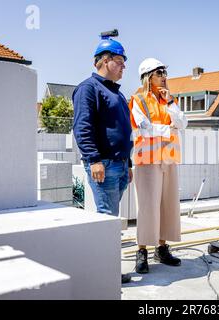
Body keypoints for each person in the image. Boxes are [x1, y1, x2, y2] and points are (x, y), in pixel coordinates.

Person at [72, 34, 133, 284]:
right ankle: (107, 273)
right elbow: (82, 127)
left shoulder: (117, 94)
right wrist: (94, 159)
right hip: (104, 165)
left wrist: (128, 164)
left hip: (119, 166)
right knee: (108, 220)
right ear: (105, 60)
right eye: (120, 61)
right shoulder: (89, 88)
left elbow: (124, 130)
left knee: (109, 218)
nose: (123, 66)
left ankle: (104, 267)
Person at [128, 58, 188, 274]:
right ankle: (141, 251)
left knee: (167, 204)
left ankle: (161, 249)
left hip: (169, 158)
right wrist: (168, 129)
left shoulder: (168, 101)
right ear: (148, 76)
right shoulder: (138, 99)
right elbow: (144, 128)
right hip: (147, 160)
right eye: (159, 71)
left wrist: (170, 103)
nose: (164, 75)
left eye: (165, 71)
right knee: (147, 206)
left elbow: (183, 123)